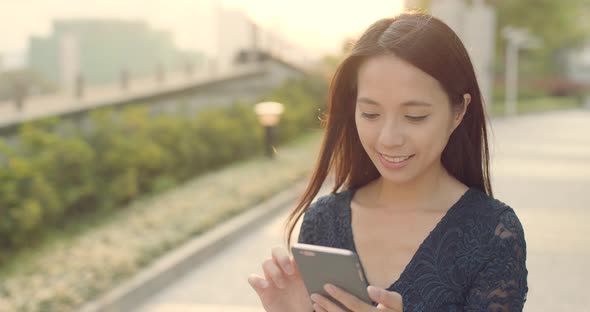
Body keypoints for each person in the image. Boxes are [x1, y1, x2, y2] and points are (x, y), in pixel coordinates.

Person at [248, 11, 528, 311]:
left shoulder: (493, 232)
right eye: (370, 114)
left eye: (414, 116)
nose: (388, 138)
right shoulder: (324, 222)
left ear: (459, 111)